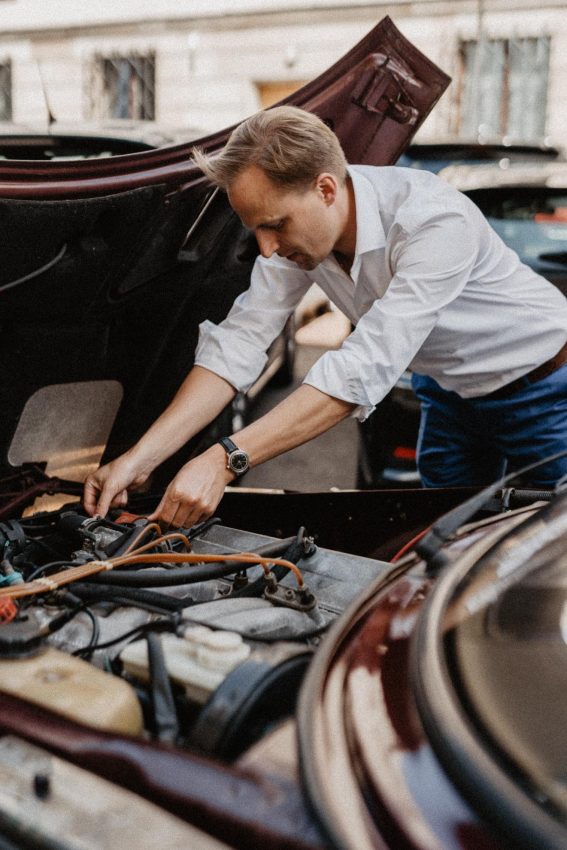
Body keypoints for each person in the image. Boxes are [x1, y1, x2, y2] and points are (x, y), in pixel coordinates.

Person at [83, 106, 567, 528]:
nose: (267, 248)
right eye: (256, 230)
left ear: (326, 189)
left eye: (274, 225)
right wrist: (138, 460)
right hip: (448, 394)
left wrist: (225, 459)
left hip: (545, 387)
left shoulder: (434, 221)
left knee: (548, 549)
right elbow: (238, 345)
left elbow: (358, 369)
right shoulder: (299, 242)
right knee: (447, 538)